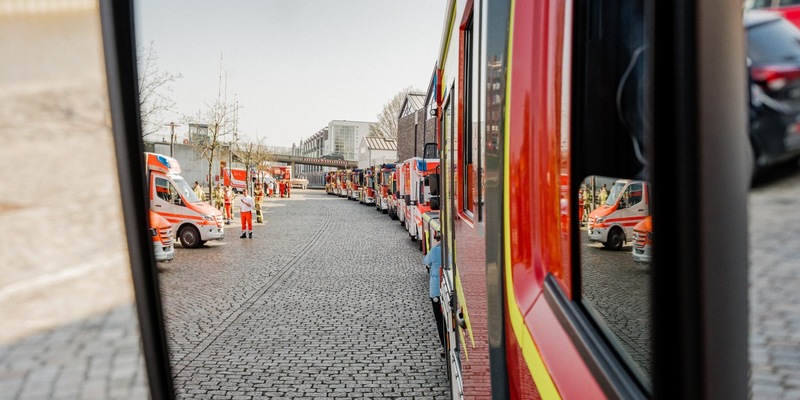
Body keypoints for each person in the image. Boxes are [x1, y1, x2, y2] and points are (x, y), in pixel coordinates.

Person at [423, 232, 446, 357]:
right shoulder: (452, 249)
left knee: (439, 320)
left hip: (436, 291)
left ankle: (444, 346)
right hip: (448, 289)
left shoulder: (436, 249)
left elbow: (426, 261)